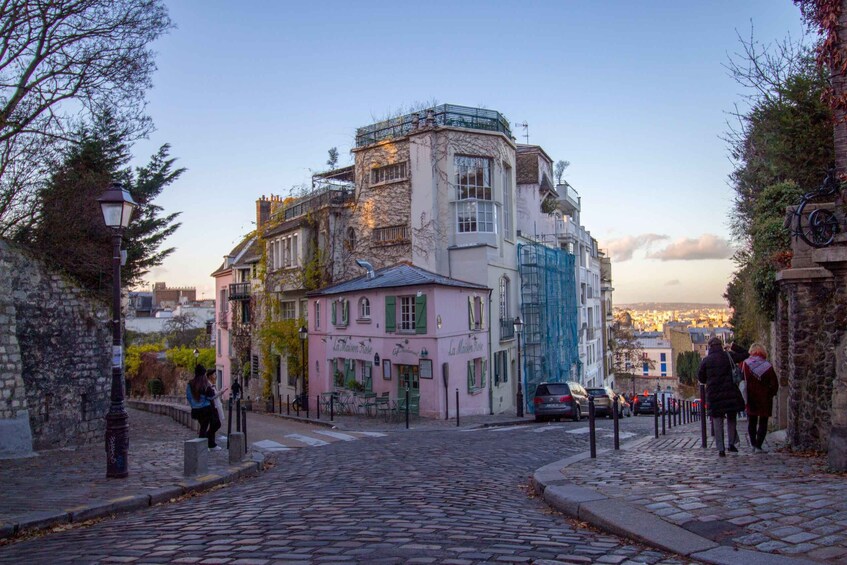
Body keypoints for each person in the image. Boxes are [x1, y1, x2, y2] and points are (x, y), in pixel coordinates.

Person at [698, 337, 748, 457]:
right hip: (730, 392)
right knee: (731, 418)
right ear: (720, 345)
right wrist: (733, 346)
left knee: (717, 420)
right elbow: (746, 354)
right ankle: (731, 443)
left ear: (709, 347)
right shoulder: (728, 356)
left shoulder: (706, 361)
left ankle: (721, 448)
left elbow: (701, 378)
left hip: (714, 394)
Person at [742, 343, 779, 453]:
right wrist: (770, 393)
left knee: (752, 422)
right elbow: (774, 383)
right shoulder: (767, 366)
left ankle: (753, 444)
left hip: (750, 397)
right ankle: (758, 445)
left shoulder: (746, 364)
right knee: (763, 422)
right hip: (764, 398)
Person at [186, 364, 222, 451]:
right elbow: (210, 397)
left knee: (204, 426)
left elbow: (188, 396)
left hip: (195, 410)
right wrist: (219, 393)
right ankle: (204, 445)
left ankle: (209, 444)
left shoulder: (190, 384)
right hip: (206, 409)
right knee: (208, 426)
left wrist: (193, 405)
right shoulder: (204, 384)